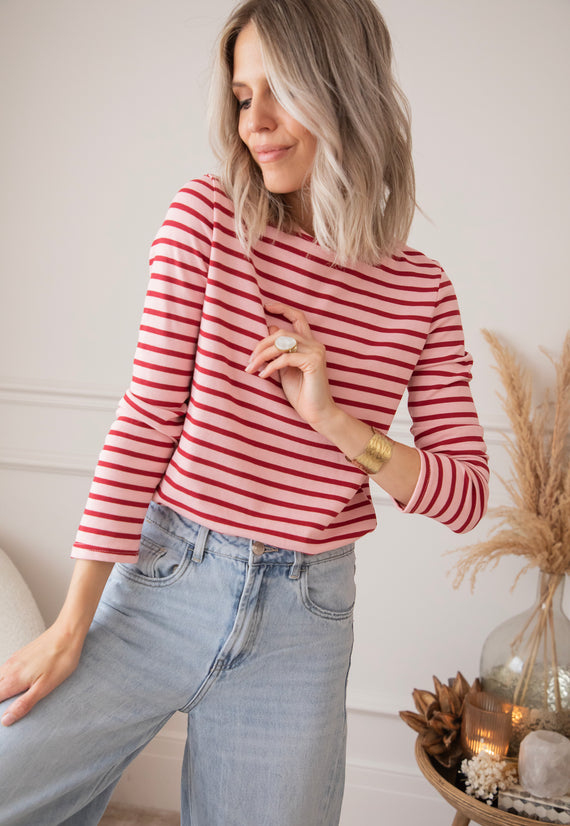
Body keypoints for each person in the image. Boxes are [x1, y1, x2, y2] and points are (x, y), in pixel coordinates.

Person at [0, 0, 489, 823]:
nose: (253, 124)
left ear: (346, 91)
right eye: (240, 97)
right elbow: (146, 421)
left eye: (279, 92)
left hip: (305, 625)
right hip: (165, 580)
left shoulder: (422, 294)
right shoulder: (206, 222)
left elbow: (466, 497)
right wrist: (70, 624)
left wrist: (337, 422)